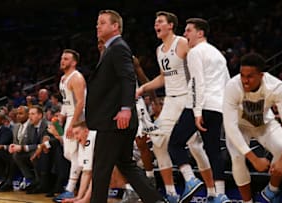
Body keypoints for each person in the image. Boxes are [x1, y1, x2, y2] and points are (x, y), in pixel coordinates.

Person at [86, 10, 165, 203]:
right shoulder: (111, 49)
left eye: (102, 23)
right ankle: (156, 200)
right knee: (126, 164)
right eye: (97, 23)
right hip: (117, 119)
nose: (98, 26)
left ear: (115, 27)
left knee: (101, 168)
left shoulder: (118, 47)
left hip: (115, 119)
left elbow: (128, 79)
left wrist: (125, 109)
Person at [136, 11, 212, 202]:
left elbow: (199, 66)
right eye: (155, 22)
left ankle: (213, 191)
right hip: (171, 99)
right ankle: (171, 193)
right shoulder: (160, 50)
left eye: (160, 22)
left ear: (171, 25)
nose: (156, 25)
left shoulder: (182, 43)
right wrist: (144, 87)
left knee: (194, 145)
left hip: (188, 98)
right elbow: (164, 77)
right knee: (159, 143)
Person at [168, 18, 230, 203]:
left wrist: (196, 113)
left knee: (174, 143)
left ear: (200, 33)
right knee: (213, 151)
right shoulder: (218, 54)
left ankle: (190, 179)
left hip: (201, 106)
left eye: (188, 31)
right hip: (218, 107)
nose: (185, 35)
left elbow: (196, 83)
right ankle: (219, 194)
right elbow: (227, 81)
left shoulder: (195, 52)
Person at [223, 53, 282, 203]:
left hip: (264, 123)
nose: (245, 80)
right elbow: (230, 126)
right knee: (237, 158)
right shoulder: (232, 85)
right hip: (240, 126)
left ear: (261, 75)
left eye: (250, 76)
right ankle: (247, 201)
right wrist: (254, 159)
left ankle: (271, 191)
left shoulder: (276, 86)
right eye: (242, 75)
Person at [53, 49, 87, 202]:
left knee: (75, 155)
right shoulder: (63, 79)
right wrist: (61, 116)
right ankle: (74, 187)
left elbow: (81, 102)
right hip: (70, 116)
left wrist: (73, 124)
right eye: (62, 58)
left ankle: (70, 190)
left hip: (79, 118)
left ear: (74, 62)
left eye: (66, 59)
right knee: (68, 153)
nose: (62, 61)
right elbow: (67, 102)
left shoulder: (77, 78)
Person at [60, 120, 96, 203]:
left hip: (121, 165)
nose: (75, 137)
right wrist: (79, 197)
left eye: (77, 133)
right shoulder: (82, 141)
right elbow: (86, 172)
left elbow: (94, 173)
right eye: (74, 134)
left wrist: (85, 199)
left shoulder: (92, 137)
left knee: (99, 171)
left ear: (86, 131)